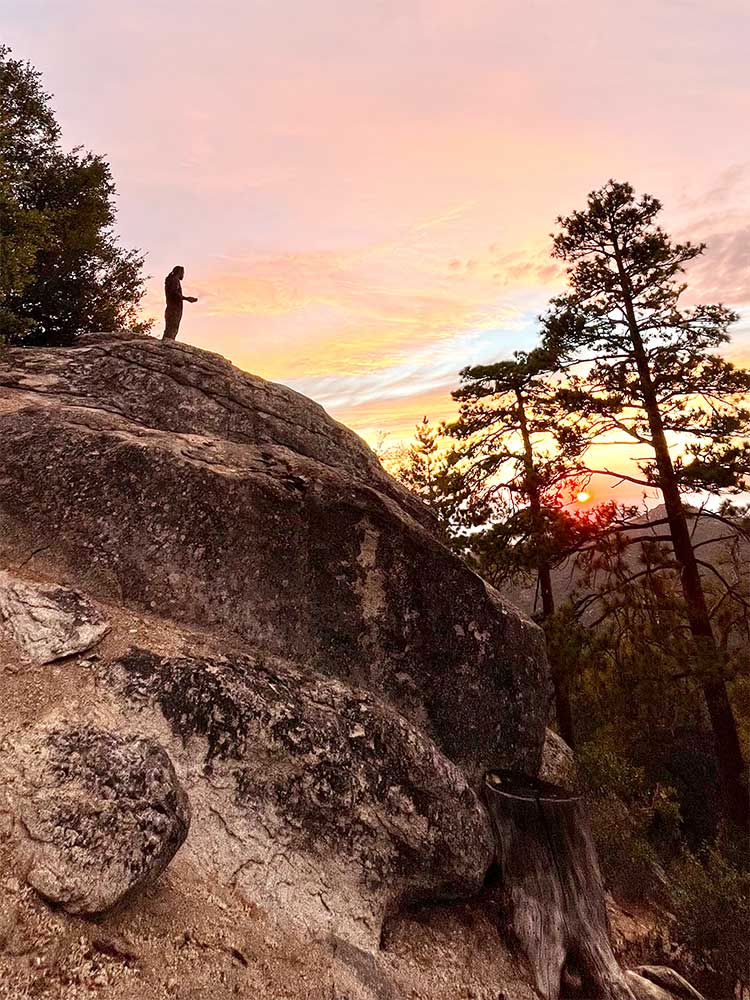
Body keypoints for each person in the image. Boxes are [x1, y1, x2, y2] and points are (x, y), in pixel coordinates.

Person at [163, 266, 198, 341]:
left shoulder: (171, 280)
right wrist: (186, 298)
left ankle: (167, 344)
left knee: (170, 329)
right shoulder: (175, 280)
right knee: (172, 329)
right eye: (183, 273)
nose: (183, 275)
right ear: (179, 272)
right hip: (174, 310)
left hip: (171, 309)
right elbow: (174, 293)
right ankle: (167, 347)